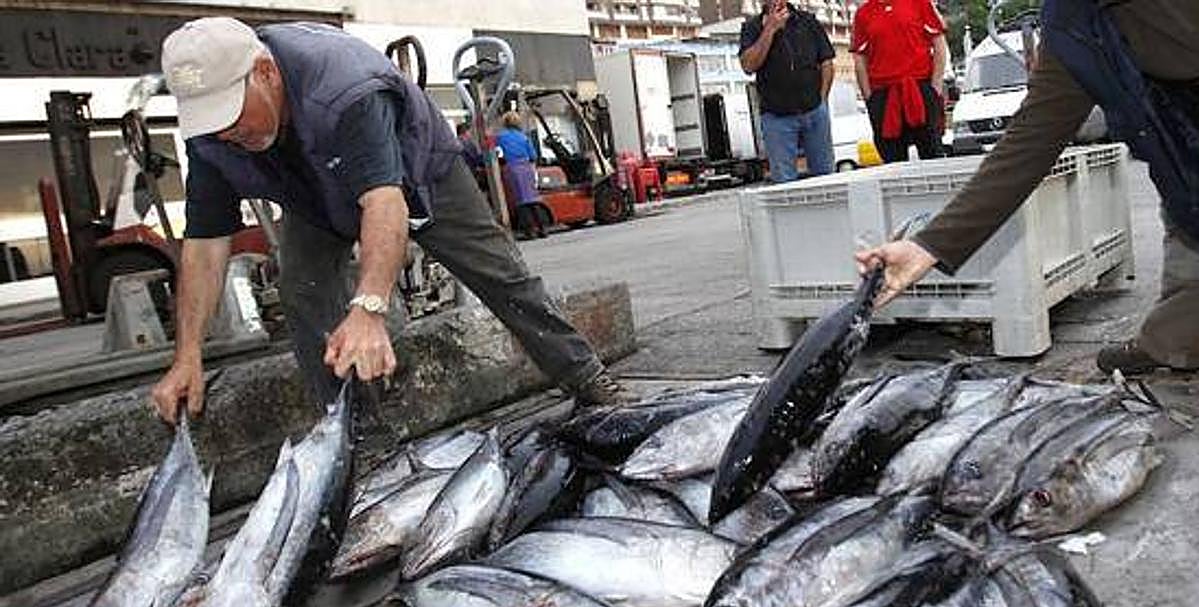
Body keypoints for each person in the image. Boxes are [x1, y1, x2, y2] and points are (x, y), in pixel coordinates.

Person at [149, 17, 626, 422]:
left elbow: (383, 202)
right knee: (301, 290)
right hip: (311, 194)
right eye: (214, 122)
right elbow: (205, 246)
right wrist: (188, 353)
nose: (228, 132)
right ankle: (355, 431)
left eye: (233, 114)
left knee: (501, 276)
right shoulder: (213, 137)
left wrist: (369, 308)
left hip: (420, 174)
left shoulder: (343, 85)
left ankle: (588, 380)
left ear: (266, 72)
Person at [859, 1, 1199, 376]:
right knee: (1186, 222)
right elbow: (1030, 139)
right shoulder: (1072, 22)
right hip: (1180, 149)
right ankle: (1174, 341)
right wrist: (927, 246)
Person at [740, 0, 836, 183]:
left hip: (814, 110)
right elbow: (748, 65)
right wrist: (769, 29)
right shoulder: (751, 27)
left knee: (826, 176)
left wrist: (822, 100)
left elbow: (827, 62)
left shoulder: (807, 21)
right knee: (784, 181)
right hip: (777, 117)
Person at [851, 0, 948, 163]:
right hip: (884, 94)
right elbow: (860, 57)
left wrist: (935, 86)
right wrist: (869, 97)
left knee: (932, 153)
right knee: (891, 157)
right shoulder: (863, 14)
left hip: (919, 88)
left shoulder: (919, 3)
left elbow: (939, 42)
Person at [495, 111, 546, 240]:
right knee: (533, 199)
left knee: (521, 201)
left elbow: (496, 153)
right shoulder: (524, 137)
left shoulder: (501, 137)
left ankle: (529, 231)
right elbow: (533, 155)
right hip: (527, 167)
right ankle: (542, 228)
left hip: (512, 168)